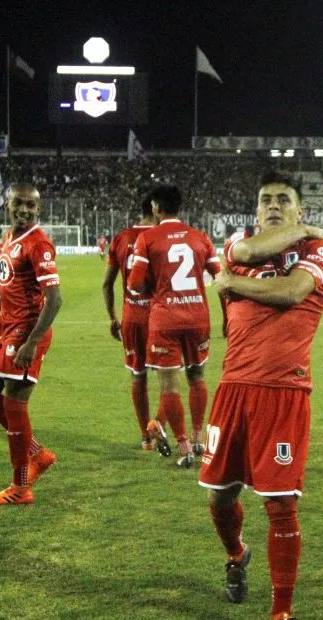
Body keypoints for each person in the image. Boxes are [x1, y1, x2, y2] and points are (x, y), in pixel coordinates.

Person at [202, 170, 323, 620]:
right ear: (256, 211)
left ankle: (280, 615)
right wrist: (296, 234)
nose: (274, 206)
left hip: (284, 391)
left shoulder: (320, 253)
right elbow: (241, 255)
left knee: (281, 505)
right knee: (219, 495)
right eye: (266, 201)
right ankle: (237, 556)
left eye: (284, 200)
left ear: (300, 208)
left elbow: (291, 293)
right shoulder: (240, 240)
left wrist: (234, 285)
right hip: (233, 387)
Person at [0, 183, 62, 506]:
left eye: (30, 206)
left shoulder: (38, 244)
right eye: (18, 204)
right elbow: (11, 287)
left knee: (14, 405)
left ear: (38, 210)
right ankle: (38, 454)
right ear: (7, 205)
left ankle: (20, 486)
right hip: (9, 331)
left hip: (26, 334)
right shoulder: (10, 238)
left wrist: (31, 342)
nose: (24, 210)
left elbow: (55, 300)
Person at [127, 184, 221, 467]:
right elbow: (221, 277)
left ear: (156, 207)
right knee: (197, 377)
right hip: (197, 317)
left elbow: (133, 284)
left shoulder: (148, 238)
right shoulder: (200, 237)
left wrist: (156, 290)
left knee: (169, 386)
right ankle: (198, 438)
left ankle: (183, 449)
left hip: (165, 319)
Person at [102, 193, 164, 451]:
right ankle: (158, 423)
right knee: (168, 380)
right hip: (160, 319)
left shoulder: (121, 238)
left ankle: (145, 437)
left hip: (131, 318)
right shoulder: (162, 238)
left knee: (138, 377)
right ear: (156, 209)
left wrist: (113, 318)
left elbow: (107, 284)